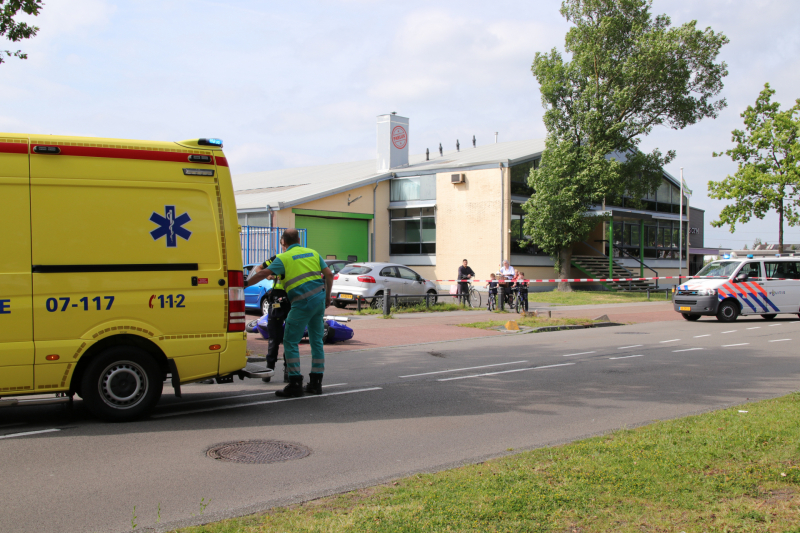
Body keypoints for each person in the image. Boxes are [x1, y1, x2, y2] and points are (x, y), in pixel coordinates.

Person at [247, 229, 333, 397]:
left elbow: (263, 273)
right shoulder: (313, 253)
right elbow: (329, 275)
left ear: (283, 242)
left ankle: (295, 383)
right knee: (316, 342)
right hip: (319, 300)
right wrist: (328, 296)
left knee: (290, 341)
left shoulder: (284, 257)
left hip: (302, 302)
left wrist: (243, 284)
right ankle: (316, 383)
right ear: (299, 240)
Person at [260, 255, 290, 383]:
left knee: (289, 339)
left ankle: (288, 370)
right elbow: (259, 268)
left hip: (290, 300)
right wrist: (267, 276)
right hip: (277, 300)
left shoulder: (293, 258)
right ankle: (269, 368)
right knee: (274, 338)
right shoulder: (277, 258)